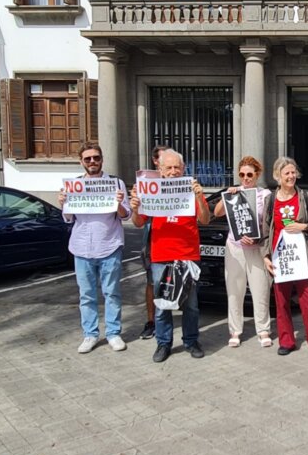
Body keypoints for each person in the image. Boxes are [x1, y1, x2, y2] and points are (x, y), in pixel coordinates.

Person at [130, 149, 210, 363]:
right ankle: (163, 344)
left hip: (188, 255)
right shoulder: (150, 190)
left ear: (183, 169)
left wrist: (199, 198)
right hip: (161, 256)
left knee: (191, 304)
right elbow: (138, 222)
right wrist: (135, 208)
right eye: (169, 167)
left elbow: (205, 220)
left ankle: (191, 341)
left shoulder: (191, 189)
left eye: (177, 167)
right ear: (160, 169)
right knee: (162, 304)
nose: (173, 171)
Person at [58, 142, 132, 354]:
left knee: (112, 293)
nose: (92, 162)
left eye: (96, 158)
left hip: (109, 245)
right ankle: (90, 334)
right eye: (88, 158)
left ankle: (113, 333)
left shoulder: (115, 183)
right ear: (81, 162)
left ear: (102, 160)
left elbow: (125, 215)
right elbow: (68, 218)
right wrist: (63, 202)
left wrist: (118, 203)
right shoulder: (73, 185)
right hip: (82, 248)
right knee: (87, 295)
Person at [262, 157, 308, 359]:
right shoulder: (270, 200)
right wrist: (266, 256)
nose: (291, 176)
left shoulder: (305, 197)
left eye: (293, 172)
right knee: (281, 303)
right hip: (280, 258)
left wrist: (304, 227)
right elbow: (266, 230)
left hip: (303, 258)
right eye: (286, 173)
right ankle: (286, 341)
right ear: (278, 176)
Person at [213, 156, 273, 348]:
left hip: (256, 249)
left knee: (260, 289)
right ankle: (235, 330)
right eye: (242, 174)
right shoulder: (234, 192)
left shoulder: (265, 195)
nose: (245, 178)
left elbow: (270, 223)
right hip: (235, 248)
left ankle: (263, 329)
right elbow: (217, 213)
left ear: (257, 175)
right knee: (234, 290)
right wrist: (228, 195)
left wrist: (259, 239)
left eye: (249, 174)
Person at [138, 144, 169, 340]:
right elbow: (139, 219)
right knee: (152, 281)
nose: (169, 165)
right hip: (153, 237)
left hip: (175, 238)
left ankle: (170, 319)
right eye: (164, 160)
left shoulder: (179, 180)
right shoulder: (146, 183)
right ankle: (151, 322)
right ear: (156, 162)